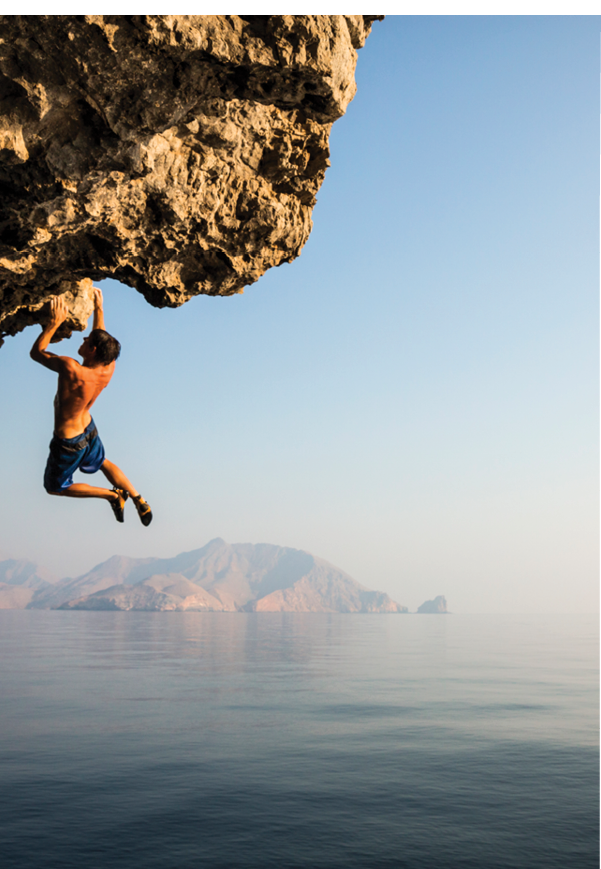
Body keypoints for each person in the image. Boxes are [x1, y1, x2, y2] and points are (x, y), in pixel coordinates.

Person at [30, 288, 152, 525]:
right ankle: (139, 498)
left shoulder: (71, 368)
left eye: (87, 341)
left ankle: (111, 496)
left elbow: (37, 353)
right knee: (103, 462)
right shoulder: (108, 368)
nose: (83, 339)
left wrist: (53, 324)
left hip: (69, 442)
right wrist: (99, 307)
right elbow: (100, 336)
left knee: (55, 487)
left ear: (93, 350)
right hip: (88, 429)